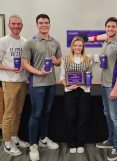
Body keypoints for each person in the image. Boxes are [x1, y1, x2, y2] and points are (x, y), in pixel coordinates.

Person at [21, 14, 62, 161]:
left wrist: (55, 61)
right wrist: (39, 72)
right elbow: (24, 64)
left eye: (46, 22)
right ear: (37, 25)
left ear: (49, 24)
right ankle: (33, 144)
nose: (44, 25)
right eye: (41, 23)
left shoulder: (55, 42)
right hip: (37, 84)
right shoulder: (30, 42)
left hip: (51, 83)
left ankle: (43, 138)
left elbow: (59, 61)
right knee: (36, 113)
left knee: (46, 111)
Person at [96, 17, 117, 161]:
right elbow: (108, 63)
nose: (110, 29)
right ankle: (110, 140)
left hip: (113, 86)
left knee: (115, 117)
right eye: (108, 26)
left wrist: (115, 88)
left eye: (113, 26)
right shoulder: (104, 43)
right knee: (107, 113)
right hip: (104, 84)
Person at [0, 14, 30, 156]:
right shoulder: (3, 41)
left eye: (19, 24)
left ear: (22, 25)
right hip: (9, 82)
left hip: (22, 81)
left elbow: (27, 61)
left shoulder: (25, 42)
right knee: (9, 113)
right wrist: (10, 68)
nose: (16, 26)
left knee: (18, 112)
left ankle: (14, 137)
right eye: (14, 24)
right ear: (9, 25)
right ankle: (6, 143)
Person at [60, 36, 92, 154]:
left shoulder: (88, 60)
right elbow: (62, 77)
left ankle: (80, 143)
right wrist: (68, 86)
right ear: (72, 46)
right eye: (75, 45)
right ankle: (72, 142)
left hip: (84, 91)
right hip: (69, 91)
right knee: (70, 116)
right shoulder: (65, 59)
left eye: (80, 45)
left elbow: (90, 74)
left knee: (83, 117)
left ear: (83, 47)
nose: (77, 47)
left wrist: (88, 80)